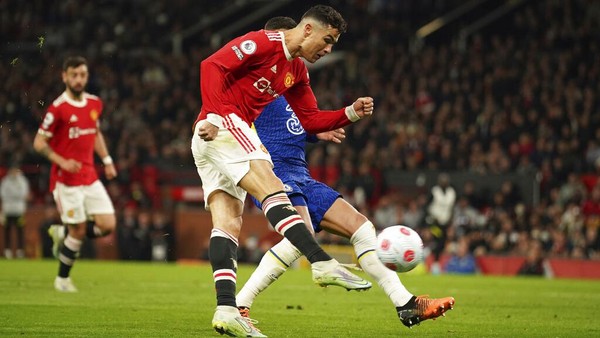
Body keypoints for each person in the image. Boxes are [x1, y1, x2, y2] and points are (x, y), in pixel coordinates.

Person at [234, 16, 455, 333]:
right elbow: (242, 119)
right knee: (301, 238)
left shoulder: (293, 81)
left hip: (301, 175)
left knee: (362, 228)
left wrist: (316, 134)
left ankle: (406, 304)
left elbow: (296, 123)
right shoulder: (257, 78)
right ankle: (241, 303)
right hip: (271, 173)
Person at [191, 5, 375, 337]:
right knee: (273, 188)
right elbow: (211, 65)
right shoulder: (263, 42)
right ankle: (320, 260)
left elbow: (310, 119)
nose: (329, 48)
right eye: (328, 39)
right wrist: (215, 116)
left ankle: (226, 309)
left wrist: (350, 112)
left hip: (215, 137)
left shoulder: (296, 71)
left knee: (228, 224)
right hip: (224, 124)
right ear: (308, 30)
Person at [33, 56, 117, 292]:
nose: (78, 79)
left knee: (108, 224)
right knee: (79, 230)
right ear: (64, 76)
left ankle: (63, 231)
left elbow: (96, 133)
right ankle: (62, 280)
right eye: (74, 75)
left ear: (87, 76)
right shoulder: (57, 109)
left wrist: (107, 160)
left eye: (82, 75)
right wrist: (61, 161)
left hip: (89, 176)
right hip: (66, 181)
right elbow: (38, 142)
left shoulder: (94, 104)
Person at [0, 165, 30, 259]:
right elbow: (3, 194)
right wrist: (17, 195)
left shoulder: (22, 181)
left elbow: (24, 194)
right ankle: (7, 251)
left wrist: (12, 195)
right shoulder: (5, 181)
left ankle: (20, 251)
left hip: (19, 210)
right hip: (7, 210)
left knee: (20, 230)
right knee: (7, 230)